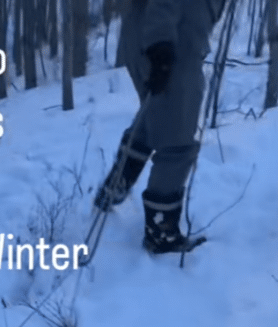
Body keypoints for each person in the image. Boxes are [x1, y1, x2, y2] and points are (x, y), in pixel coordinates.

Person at [95, 0, 227, 254]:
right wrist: (160, 44)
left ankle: (115, 186)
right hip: (169, 44)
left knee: (154, 118)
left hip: (160, 39)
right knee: (177, 142)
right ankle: (161, 232)